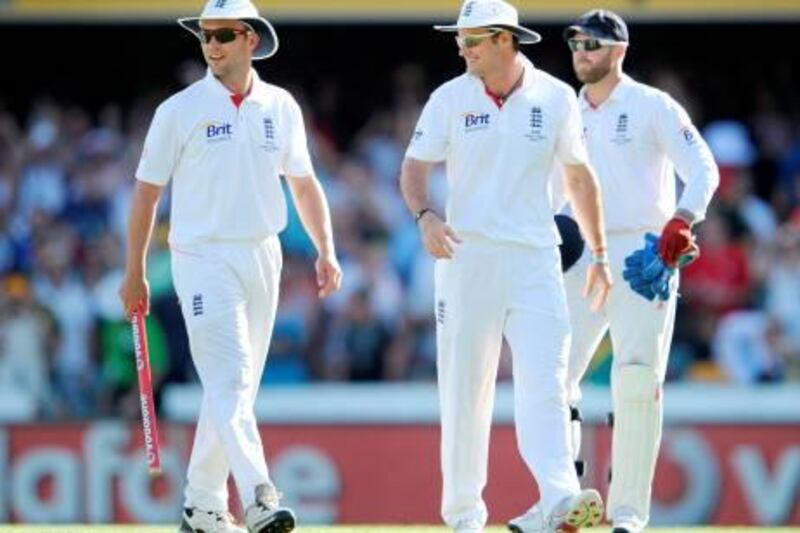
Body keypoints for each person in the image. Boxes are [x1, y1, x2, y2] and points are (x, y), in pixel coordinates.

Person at [118, 0, 342, 531]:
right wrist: (135, 271)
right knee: (230, 378)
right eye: (204, 36)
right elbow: (147, 195)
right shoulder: (179, 110)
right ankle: (259, 495)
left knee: (233, 389)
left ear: (249, 39)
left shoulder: (280, 105)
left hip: (263, 254)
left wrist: (327, 250)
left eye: (222, 35)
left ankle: (202, 505)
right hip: (201, 256)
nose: (211, 45)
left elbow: (304, 185)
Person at [398, 1, 613, 531]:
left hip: (536, 258)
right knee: (465, 390)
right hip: (466, 258)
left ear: (503, 40)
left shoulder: (557, 97)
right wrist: (424, 215)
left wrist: (600, 253)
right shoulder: (449, 98)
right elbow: (414, 168)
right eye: (461, 38)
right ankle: (464, 516)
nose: (461, 47)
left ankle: (560, 496)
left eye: (472, 38)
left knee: (547, 381)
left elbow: (581, 179)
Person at [532, 9, 718, 533]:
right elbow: (549, 185)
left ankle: (628, 514)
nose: (581, 53)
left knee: (636, 380)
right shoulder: (563, 110)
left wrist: (682, 220)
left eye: (592, 44)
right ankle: (563, 502)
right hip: (580, 251)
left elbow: (703, 167)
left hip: (642, 254)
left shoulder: (651, 105)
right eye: (574, 43)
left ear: (619, 50)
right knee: (551, 377)